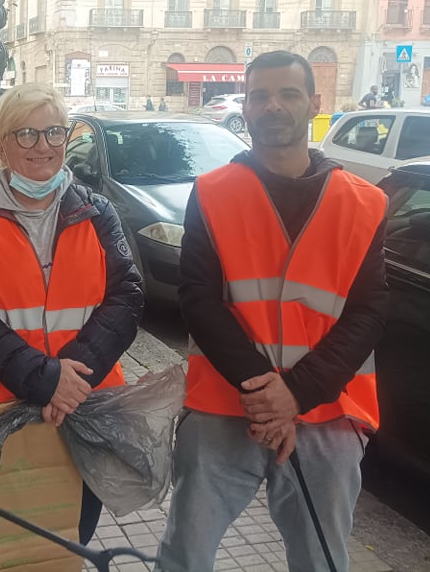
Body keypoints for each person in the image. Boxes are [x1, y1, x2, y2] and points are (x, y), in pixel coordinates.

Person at [156, 51, 387, 572]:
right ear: (246, 105)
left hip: (325, 411)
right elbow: (198, 299)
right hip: (224, 405)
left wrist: (296, 393)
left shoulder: (364, 202)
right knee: (185, 556)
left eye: (288, 94)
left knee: (320, 560)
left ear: (315, 103)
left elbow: (368, 312)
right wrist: (266, 393)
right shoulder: (212, 192)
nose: (272, 106)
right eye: (259, 95)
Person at [0, 82, 144, 545]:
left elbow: (126, 296)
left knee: (73, 537)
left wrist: (71, 380)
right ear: (2, 144)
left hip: (85, 405)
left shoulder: (97, 212)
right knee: (7, 546)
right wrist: (44, 378)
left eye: (53, 132)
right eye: (25, 133)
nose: (42, 145)